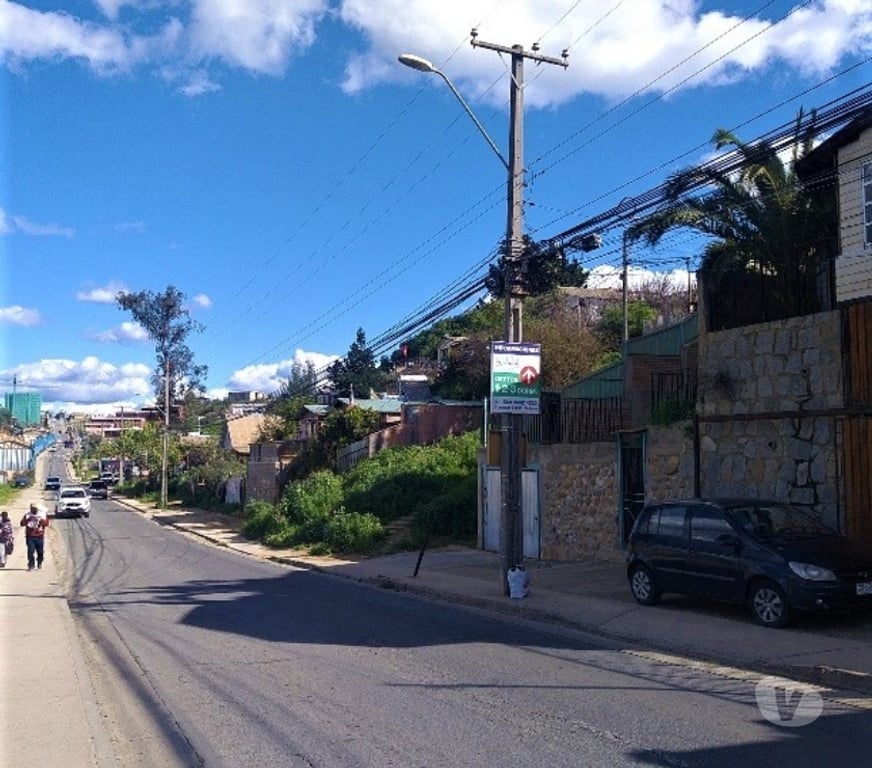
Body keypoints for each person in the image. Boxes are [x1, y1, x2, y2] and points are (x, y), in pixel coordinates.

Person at [20, 503, 49, 571]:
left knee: (40, 552)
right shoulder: (27, 515)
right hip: (30, 536)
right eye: (32, 508)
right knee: (30, 552)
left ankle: (39, 562)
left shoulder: (42, 515)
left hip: (39, 536)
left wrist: (41, 521)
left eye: (35, 508)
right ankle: (31, 565)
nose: (33, 509)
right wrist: (27, 520)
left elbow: (46, 523)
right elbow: (22, 524)